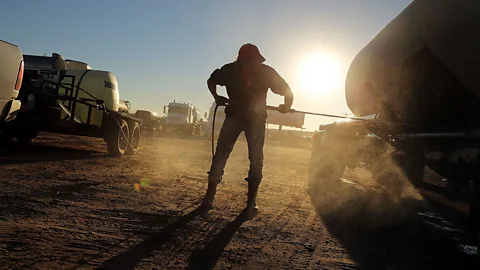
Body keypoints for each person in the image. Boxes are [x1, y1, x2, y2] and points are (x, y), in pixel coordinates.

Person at [202, 43, 294, 218]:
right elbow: (211, 81)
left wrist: (287, 105)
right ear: (243, 61)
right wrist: (217, 97)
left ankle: (251, 203)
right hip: (237, 117)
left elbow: (287, 91)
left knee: (255, 158)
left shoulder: (264, 72)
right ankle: (209, 197)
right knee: (221, 154)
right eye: (249, 62)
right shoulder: (232, 70)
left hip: (255, 120)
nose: (251, 66)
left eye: (253, 62)